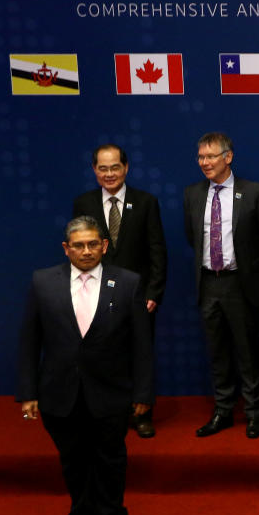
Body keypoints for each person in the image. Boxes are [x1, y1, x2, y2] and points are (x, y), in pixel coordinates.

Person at [17, 216, 153, 515]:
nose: (87, 251)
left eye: (94, 244)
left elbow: (142, 345)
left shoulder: (128, 283)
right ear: (67, 248)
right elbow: (29, 340)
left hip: (111, 392)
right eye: (79, 245)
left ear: (104, 246)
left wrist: (143, 393)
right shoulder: (43, 282)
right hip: (59, 393)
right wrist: (28, 393)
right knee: (72, 461)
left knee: (111, 460)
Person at [183, 132, 259, 439]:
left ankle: (253, 413)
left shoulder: (254, 192)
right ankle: (223, 411)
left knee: (248, 352)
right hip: (208, 282)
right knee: (217, 352)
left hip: (241, 283)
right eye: (201, 157)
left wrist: (248, 265)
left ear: (229, 157)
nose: (205, 163)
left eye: (211, 156)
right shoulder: (193, 194)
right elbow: (192, 236)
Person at [72, 143, 166, 438]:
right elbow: (78, 251)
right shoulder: (83, 203)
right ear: (94, 170)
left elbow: (157, 252)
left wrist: (154, 293)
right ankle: (106, 412)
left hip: (138, 297)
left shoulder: (146, 201)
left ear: (126, 168)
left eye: (115, 167)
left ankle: (142, 414)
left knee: (140, 355)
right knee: (102, 355)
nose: (109, 173)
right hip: (95, 297)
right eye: (103, 168)